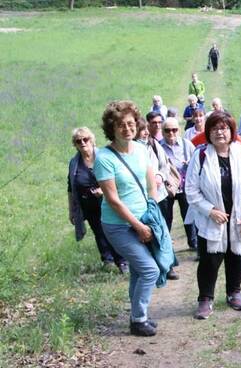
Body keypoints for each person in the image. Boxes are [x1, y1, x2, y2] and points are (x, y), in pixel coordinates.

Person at [185, 111, 241, 319]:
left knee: (236, 255)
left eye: (224, 128)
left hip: (239, 216)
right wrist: (209, 210)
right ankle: (205, 298)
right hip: (211, 218)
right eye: (214, 128)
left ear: (231, 131)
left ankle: (234, 292)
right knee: (209, 260)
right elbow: (191, 189)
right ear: (208, 132)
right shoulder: (201, 155)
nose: (219, 132)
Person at [95, 100, 160, 337]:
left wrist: (152, 215)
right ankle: (139, 318)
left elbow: (151, 183)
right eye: (120, 125)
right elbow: (113, 199)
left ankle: (136, 317)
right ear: (111, 128)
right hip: (119, 225)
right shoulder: (104, 157)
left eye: (131, 124)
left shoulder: (142, 149)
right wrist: (138, 226)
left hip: (143, 218)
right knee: (149, 270)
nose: (127, 129)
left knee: (138, 270)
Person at [68, 127, 127, 273]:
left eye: (85, 139)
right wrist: (72, 210)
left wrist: (103, 190)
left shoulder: (103, 156)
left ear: (92, 140)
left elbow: (117, 177)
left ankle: (122, 261)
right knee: (99, 231)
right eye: (78, 141)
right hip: (87, 204)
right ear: (74, 144)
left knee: (113, 229)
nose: (82, 143)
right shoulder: (74, 163)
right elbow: (70, 187)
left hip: (108, 201)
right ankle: (107, 260)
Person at [137, 117, 179, 280]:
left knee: (163, 232)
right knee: (147, 234)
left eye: (146, 129)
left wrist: (160, 176)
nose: (147, 132)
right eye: (143, 130)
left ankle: (168, 266)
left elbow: (164, 165)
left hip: (160, 196)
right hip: (141, 199)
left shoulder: (153, 145)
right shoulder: (131, 151)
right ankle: (152, 267)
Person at [160, 117, 198, 251]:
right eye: (167, 130)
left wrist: (190, 163)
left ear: (179, 130)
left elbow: (197, 161)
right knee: (166, 217)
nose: (171, 133)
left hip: (185, 186)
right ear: (162, 131)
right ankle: (165, 244)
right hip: (166, 188)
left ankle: (193, 242)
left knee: (188, 215)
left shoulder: (187, 144)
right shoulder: (158, 147)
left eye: (174, 130)